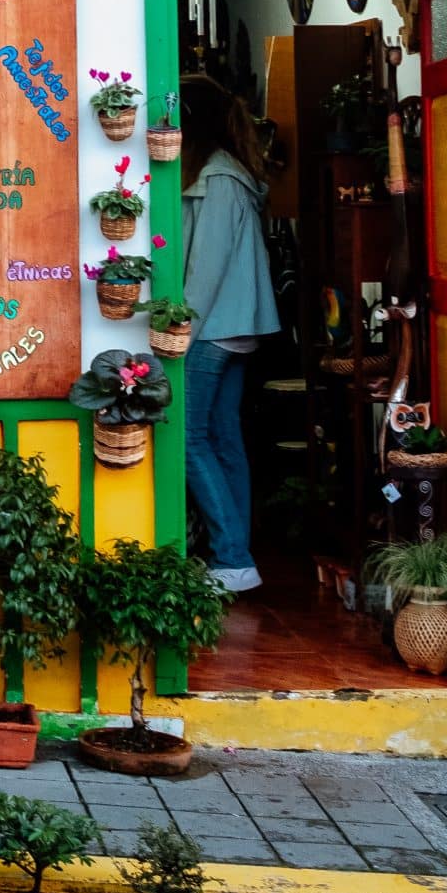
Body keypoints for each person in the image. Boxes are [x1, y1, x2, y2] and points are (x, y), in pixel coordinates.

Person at [178, 73, 280, 594]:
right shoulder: (227, 173)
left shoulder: (217, 179)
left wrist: (181, 333)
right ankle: (235, 559)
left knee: (190, 437)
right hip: (233, 327)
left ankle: (232, 557)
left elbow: (207, 268)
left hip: (213, 329)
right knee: (222, 438)